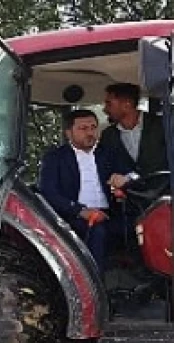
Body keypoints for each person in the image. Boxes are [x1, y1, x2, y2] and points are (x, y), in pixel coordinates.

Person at [37, 109, 138, 273]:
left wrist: (126, 180)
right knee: (97, 232)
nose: (90, 133)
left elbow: (134, 174)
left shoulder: (108, 153)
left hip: (109, 213)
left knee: (140, 226)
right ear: (69, 133)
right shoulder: (55, 158)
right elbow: (49, 193)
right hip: (76, 215)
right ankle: (95, 286)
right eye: (83, 129)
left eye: (93, 127)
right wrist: (81, 211)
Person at [100, 83, 168, 183]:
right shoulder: (108, 135)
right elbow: (107, 167)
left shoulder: (162, 126)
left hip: (165, 194)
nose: (105, 109)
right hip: (129, 196)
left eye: (109, 103)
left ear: (127, 105)